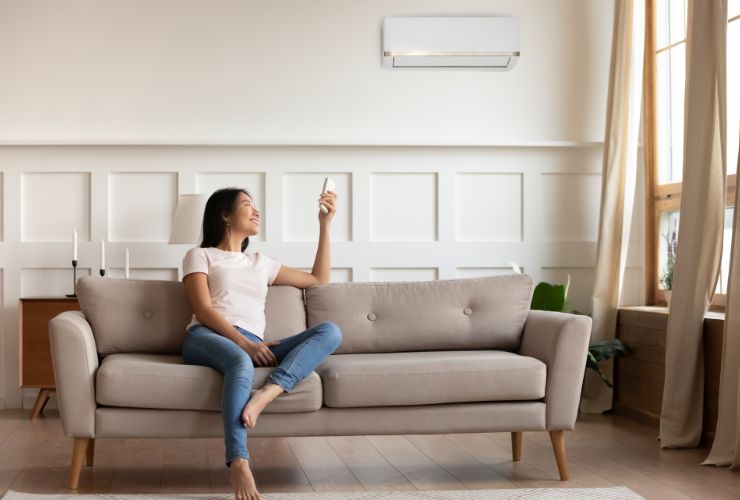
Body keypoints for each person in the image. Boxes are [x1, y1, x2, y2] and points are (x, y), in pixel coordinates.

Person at [181, 186, 342, 500]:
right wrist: (244, 344)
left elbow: (318, 279)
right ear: (225, 215)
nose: (256, 212)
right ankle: (239, 461)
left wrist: (325, 226)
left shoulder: (260, 262)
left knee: (330, 331)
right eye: (246, 205)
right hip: (206, 337)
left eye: (255, 206)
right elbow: (203, 309)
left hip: (255, 342)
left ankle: (269, 392)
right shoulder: (199, 255)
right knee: (240, 362)